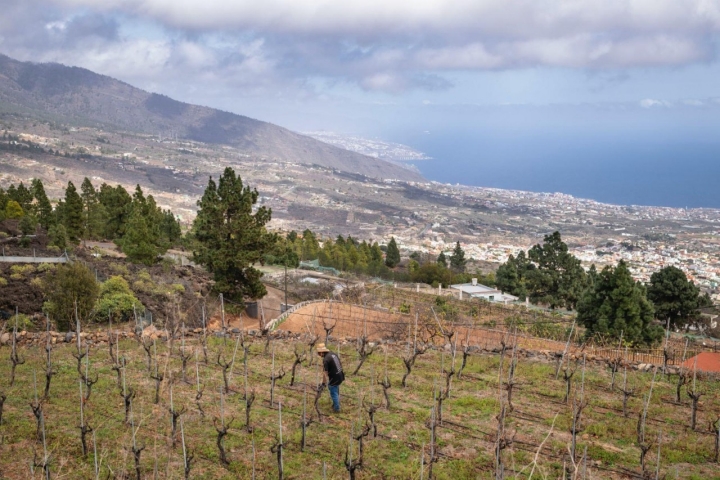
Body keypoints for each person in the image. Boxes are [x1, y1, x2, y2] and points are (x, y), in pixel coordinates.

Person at [317, 343, 344, 412]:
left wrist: (323, 383)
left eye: (319, 353)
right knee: (335, 388)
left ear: (322, 352)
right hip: (340, 374)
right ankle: (336, 403)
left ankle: (336, 408)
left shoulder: (326, 359)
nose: (319, 355)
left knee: (332, 390)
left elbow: (325, 373)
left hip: (335, 377)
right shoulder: (332, 354)